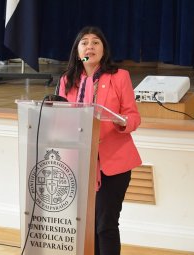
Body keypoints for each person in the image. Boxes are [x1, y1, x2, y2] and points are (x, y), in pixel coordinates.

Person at [57, 26, 142, 255]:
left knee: (105, 225)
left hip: (113, 163)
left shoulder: (119, 77)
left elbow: (134, 116)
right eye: (84, 42)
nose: (90, 46)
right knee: (87, 226)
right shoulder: (67, 81)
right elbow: (61, 118)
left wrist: (122, 121)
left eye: (96, 42)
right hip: (79, 163)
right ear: (77, 52)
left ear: (104, 51)